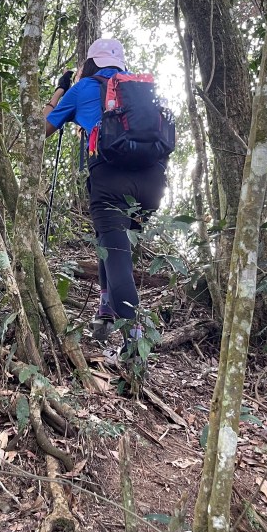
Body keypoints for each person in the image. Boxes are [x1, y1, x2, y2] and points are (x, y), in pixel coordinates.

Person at [43, 38, 167, 351]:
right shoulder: (137, 88)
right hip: (152, 183)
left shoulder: (83, 88)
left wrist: (59, 91)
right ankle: (106, 310)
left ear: (91, 63)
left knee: (116, 255)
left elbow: (41, 129)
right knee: (111, 243)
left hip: (111, 180)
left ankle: (134, 347)